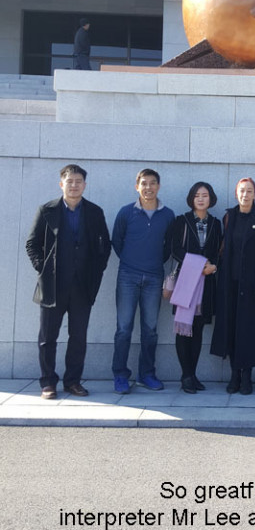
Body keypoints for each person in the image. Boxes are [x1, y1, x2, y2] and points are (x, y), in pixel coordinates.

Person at [25, 164, 111, 399]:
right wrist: (43, 269)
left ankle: (73, 381)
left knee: (78, 337)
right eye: (69, 181)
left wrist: (97, 271)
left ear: (85, 185)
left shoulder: (94, 212)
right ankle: (48, 382)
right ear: (61, 184)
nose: (74, 185)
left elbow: (105, 245)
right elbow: (32, 244)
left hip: (83, 285)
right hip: (53, 285)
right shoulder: (47, 210)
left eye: (78, 181)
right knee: (47, 338)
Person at [111, 168, 174, 393]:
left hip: (154, 277)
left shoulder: (168, 215)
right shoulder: (126, 212)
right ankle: (120, 375)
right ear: (137, 186)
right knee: (123, 329)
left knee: (150, 329)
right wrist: (131, 261)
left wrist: (153, 263)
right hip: (127, 276)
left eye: (153, 183)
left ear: (159, 186)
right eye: (144, 183)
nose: (148, 187)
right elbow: (117, 241)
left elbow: (169, 247)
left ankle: (146, 374)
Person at [211, 178, 255, 395]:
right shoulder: (229, 217)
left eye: (249, 191)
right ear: (236, 194)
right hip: (229, 284)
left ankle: (247, 376)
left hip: (252, 286)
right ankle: (234, 375)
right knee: (231, 329)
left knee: (248, 331)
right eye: (242, 191)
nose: (245, 195)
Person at [167, 182, 221, 393]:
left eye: (205, 195)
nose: (200, 199)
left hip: (206, 282)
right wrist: (198, 265)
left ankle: (193, 374)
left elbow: (218, 250)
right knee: (183, 329)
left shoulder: (216, 223)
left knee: (197, 329)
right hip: (185, 280)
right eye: (197, 195)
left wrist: (213, 266)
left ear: (211, 199)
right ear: (191, 198)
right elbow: (175, 249)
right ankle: (186, 376)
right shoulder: (181, 221)